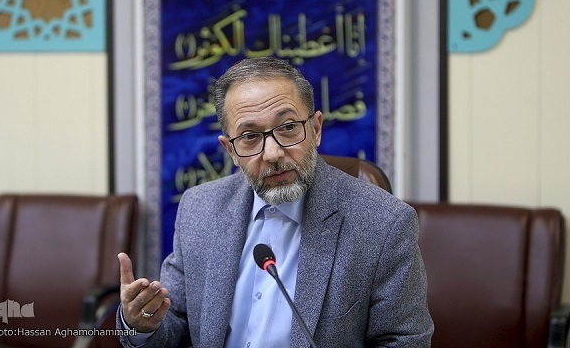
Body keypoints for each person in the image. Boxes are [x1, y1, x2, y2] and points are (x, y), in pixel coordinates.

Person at [117, 56, 433, 347]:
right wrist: (141, 324)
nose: (273, 153)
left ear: (316, 129)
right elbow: (175, 323)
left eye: (288, 128)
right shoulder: (199, 209)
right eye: (249, 137)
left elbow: (404, 342)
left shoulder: (384, 223)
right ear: (231, 151)